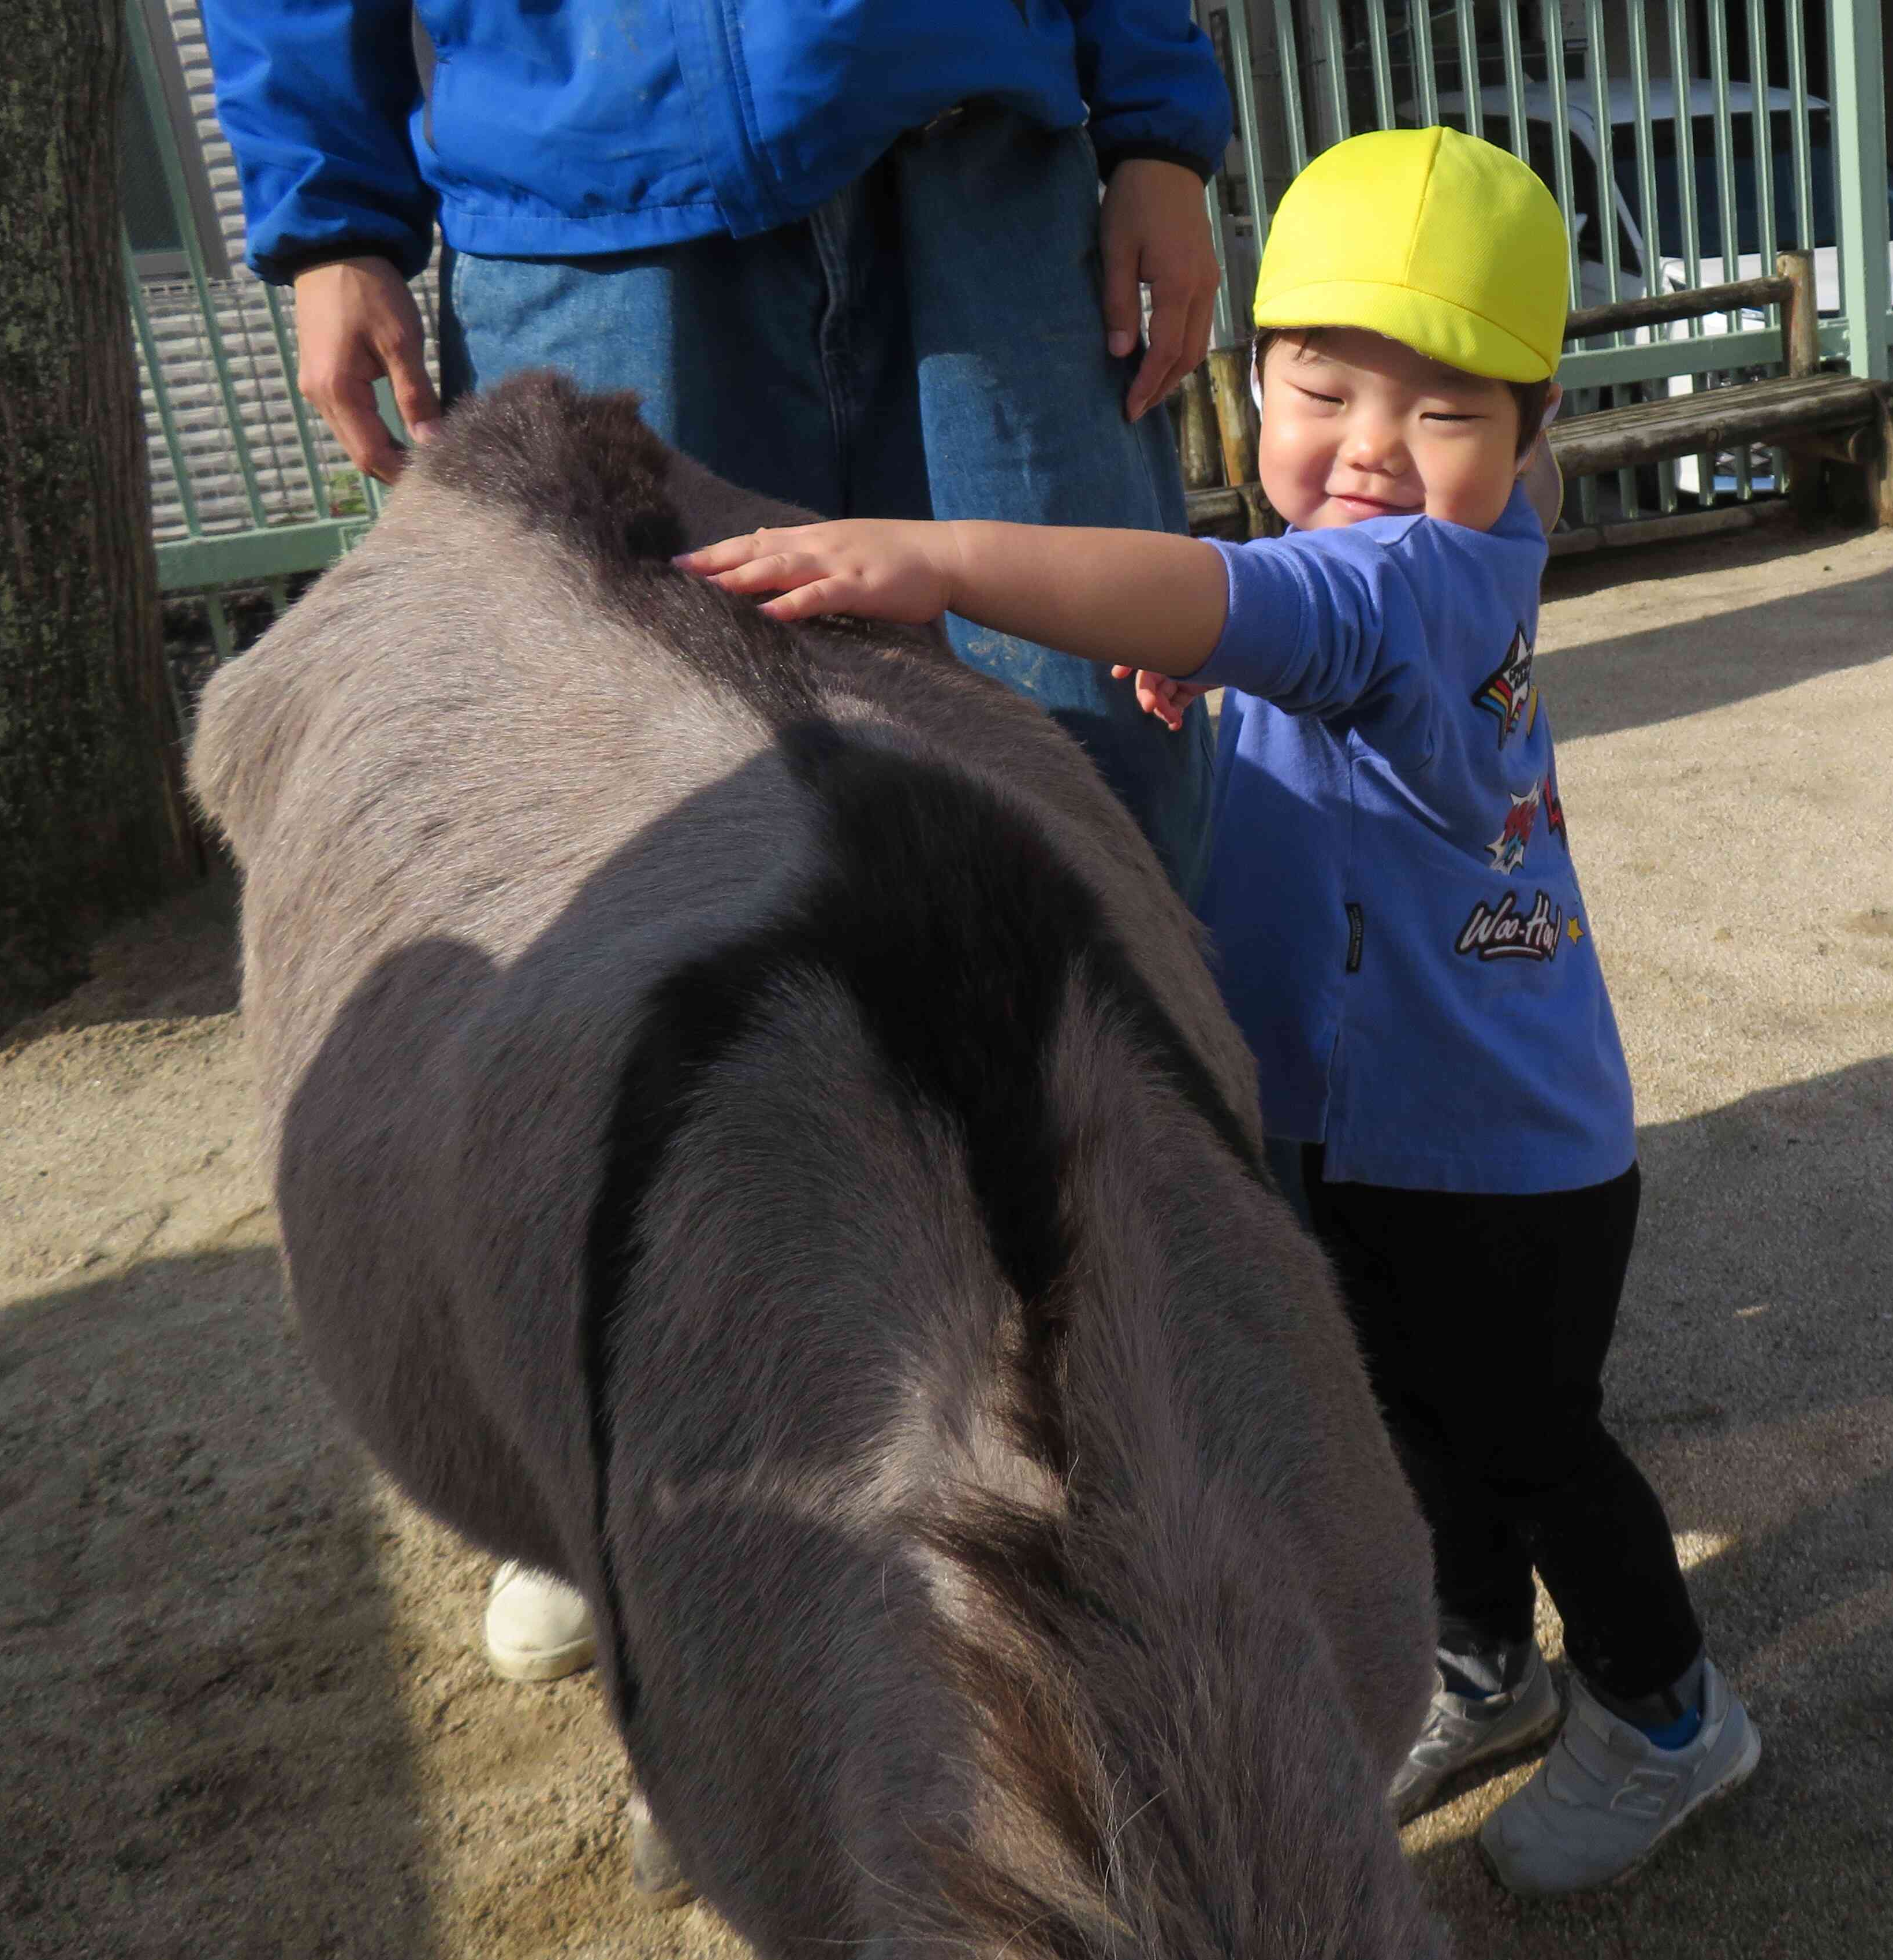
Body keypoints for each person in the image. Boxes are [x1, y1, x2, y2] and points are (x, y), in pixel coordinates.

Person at [681, 125, 1761, 1897]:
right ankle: (1480, 1655)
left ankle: (1667, 1711)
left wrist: (939, 558)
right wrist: (1212, 670)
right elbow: (1260, 631)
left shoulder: (1424, 578)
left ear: (1532, 433)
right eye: (1323, 390)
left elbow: (1252, 593)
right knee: (1402, 1422)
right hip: (1367, 1122)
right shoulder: (1380, 575)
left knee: (1529, 1444)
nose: (1372, 450)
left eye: (1443, 411)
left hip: (1497, 1156)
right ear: (1252, 383)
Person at [196, 0, 1231, 1770]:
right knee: (640, 873)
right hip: (581, 172)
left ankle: (1167, 1396)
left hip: (977, 145)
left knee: (1091, 798)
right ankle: (666, 1473)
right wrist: (331, 212)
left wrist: (1153, 121)